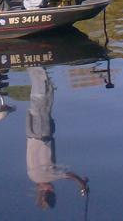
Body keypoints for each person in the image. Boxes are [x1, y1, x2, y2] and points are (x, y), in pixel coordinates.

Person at [25, 66, 88, 209]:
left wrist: (81, 183)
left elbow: (69, 175)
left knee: (41, 98)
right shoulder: (33, 176)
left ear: (44, 192)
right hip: (32, 132)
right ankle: (36, 69)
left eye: (50, 193)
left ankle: (35, 66)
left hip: (41, 133)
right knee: (41, 100)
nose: (53, 190)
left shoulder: (44, 177)